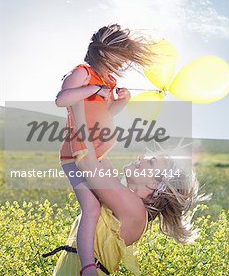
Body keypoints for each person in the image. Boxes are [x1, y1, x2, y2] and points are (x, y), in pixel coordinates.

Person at [55, 24, 153, 275]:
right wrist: (93, 89)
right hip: (76, 153)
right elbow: (62, 99)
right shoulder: (83, 73)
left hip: (97, 152)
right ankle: (88, 266)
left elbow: (105, 115)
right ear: (103, 52)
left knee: (105, 208)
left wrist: (122, 102)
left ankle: (98, 256)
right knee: (92, 208)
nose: (120, 65)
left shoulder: (109, 81)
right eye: (118, 58)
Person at [44, 153, 210, 275]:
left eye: (151, 161)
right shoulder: (122, 200)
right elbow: (96, 152)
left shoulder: (135, 209)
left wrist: (78, 111)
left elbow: (86, 160)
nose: (142, 157)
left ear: (154, 183)